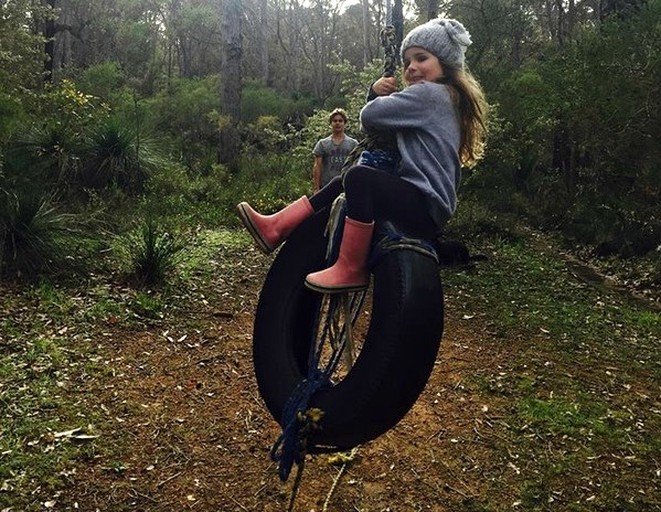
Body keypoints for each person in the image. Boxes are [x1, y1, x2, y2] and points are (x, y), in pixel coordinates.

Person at [237, 17, 487, 294]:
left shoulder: (431, 95)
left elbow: (371, 117)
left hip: (422, 203)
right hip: (424, 205)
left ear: (446, 63)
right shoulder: (445, 97)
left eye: (421, 58)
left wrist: (374, 93)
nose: (412, 68)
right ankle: (278, 226)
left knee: (359, 178)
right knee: (344, 180)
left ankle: (350, 267)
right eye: (407, 63)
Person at [312, 108, 359, 192]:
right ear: (331, 123)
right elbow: (317, 166)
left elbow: (357, 165)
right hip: (326, 187)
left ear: (345, 123)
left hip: (346, 187)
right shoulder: (322, 144)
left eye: (340, 121)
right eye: (335, 121)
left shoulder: (353, 144)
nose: (337, 123)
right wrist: (316, 188)